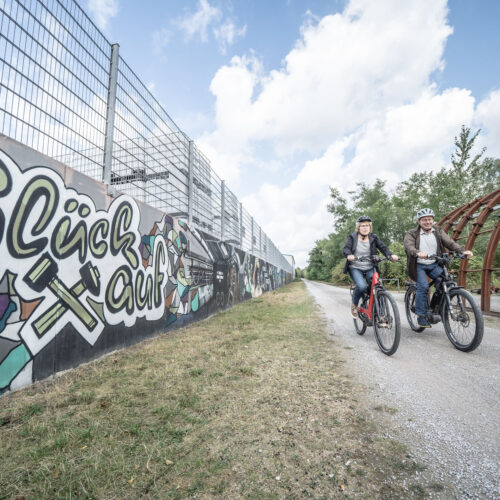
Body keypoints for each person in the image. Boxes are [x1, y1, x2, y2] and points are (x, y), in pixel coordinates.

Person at [403, 208, 472, 328]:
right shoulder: (412, 233)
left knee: (446, 283)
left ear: (433, 220)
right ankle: (421, 315)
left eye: (429, 219)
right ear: (419, 221)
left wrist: (463, 251)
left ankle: (436, 308)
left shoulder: (438, 231)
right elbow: (409, 246)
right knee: (423, 287)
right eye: (424, 220)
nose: (427, 222)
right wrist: (417, 252)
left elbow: (450, 243)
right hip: (419, 265)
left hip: (434, 263)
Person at [343, 216, 399, 317]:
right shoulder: (353, 237)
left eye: (367, 225)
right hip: (355, 267)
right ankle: (355, 304)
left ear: (370, 227)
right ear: (358, 227)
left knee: (376, 286)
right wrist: (349, 255)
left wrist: (390, 255)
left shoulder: (374, 237)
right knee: (361, 286)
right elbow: (346, 248)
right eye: (363, 225)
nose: (365, 228)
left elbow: (383, 247)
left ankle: (380, 312)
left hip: (370, 266)